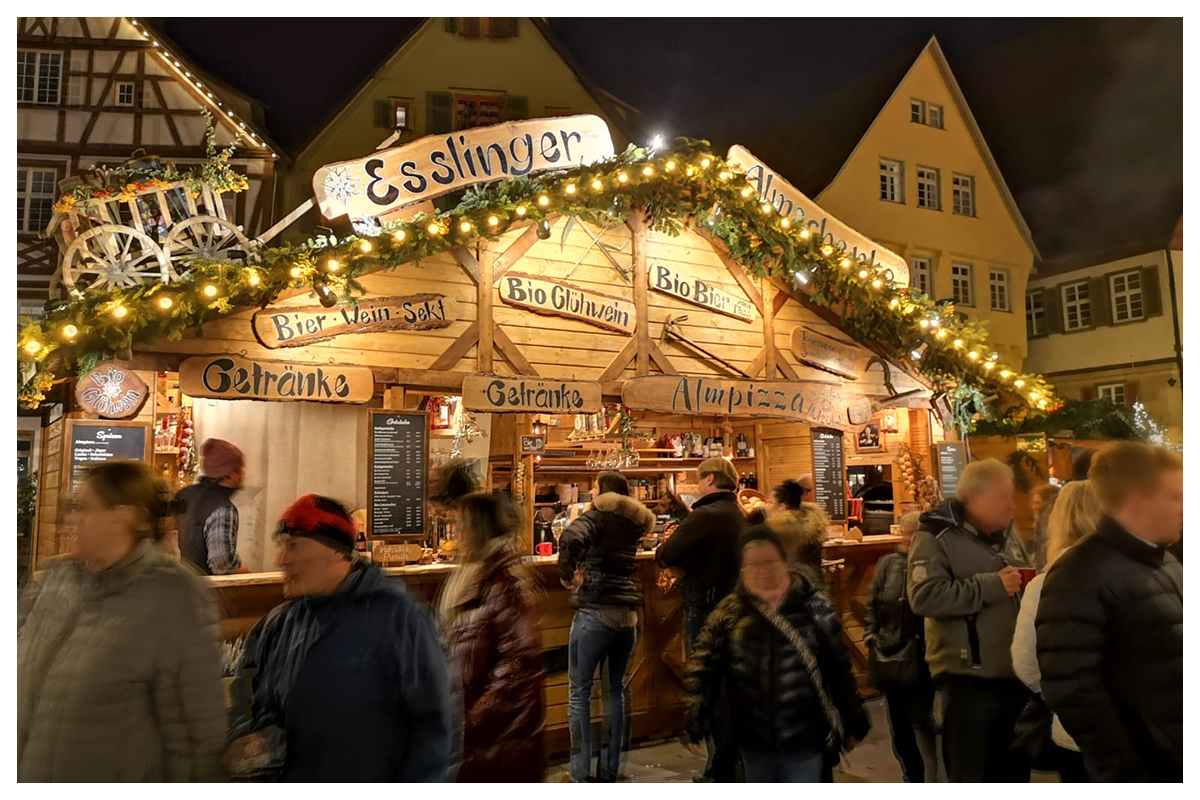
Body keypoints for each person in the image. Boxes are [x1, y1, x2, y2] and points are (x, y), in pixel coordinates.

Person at [18, 460, 226, 781]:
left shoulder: (174, 597)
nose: (71, 518)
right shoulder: (61, 581)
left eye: (83, 508)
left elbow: (197, 736)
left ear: (122, 517)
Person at [227, 494, 452, 782]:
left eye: (294, 545)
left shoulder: (400, 619)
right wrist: (258, 739)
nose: (281, 559)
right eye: (282, 546)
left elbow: (433, 729)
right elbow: (251, 703)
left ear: (336, 552)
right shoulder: (279, 625)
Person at [1037, 443, 1183, 782]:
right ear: (1137, 502)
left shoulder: (1167, 559)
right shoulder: (1078, 573)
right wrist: (1125, 771)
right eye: (1176, 497)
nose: (1186, 508)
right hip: (1149, 770)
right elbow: (1071, 688)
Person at [683, 526, 870, 782]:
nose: (761, 570)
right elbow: (703, 666)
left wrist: (853, 717)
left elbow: (837, 665)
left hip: (804, 737)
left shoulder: (812, 605)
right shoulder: (730, 611)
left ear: (784, 562)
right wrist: (695, 717)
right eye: (753, 564)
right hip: (753, 738)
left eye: (769, 562)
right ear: (743, 568)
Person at [907, 457, 1033, 782]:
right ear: (974, 497)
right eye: (1003, 496)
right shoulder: (935, 535)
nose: (1011, 504)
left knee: (1015, 775)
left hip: (1014, 675)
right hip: (968, 681)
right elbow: (924, 597)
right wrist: (990, 586)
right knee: (974, 774)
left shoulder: (1007, 532)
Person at [439, 492, 544, 782]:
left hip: (498, 741)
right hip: (477, 739)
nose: (457, 531)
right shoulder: (471, 577)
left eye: (463, 523)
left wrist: (471, 718)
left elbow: (519, 668)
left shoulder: (503, 586)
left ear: (479, 528)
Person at [558, 471, 656, 782]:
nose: (591, 492)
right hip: (627, 617)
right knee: (616, 694)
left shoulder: (598, 517)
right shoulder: (632, 523)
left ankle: (580, 773)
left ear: (605, 493)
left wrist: (568, 574)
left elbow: (570, 538)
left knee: (580, 694)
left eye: (595, 487)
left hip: (595, 612)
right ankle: (609, 771)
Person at [655, 457, 746, 782]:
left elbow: (667, 554)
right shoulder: (738, 513)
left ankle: (720, 771)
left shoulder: (705, 515)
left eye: (698, 479)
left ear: (710, 479)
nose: (696, 485)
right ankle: (734, 765)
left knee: (712, 689)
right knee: (730, 688)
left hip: (707, 609)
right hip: (736, 609)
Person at [1010, 481, 1100, 783]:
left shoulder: (1042, 586)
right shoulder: (1141, 575)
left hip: (1071, 729)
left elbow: (1026, 665)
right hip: (1139, 731)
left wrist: (1056, 692)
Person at [864, 511, 937, 783]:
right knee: (899, 724)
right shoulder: (887, 564)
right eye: (905, 534)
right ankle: (911, 776)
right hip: (889, 655)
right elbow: (872, 602)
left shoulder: (933, 565)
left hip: (922, 658)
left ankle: (929, 779)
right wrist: (871, 635)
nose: (907, 539)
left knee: (921, 721)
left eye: (913, 534)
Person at [174, 438, 250, 574]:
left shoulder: (184, 494)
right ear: (232, 475)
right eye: (241, 468)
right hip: (206, 586)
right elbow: (222, 564)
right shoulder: (223, 509)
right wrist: (246, 572)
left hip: (181, 581)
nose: (244, 473)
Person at [765, 478, 830, 581]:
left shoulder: (784, 531)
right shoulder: (810, 524)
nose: (766, 506)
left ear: (782, 507)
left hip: (793, 585)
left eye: (770, 502)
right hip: (813, 584)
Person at [1026, 484, 1060, 570]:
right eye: (1033, 502)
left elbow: (1043, 541)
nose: (1033, 506)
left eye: (1037, 503)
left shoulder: (1047, 517)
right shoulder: (1041, 518)